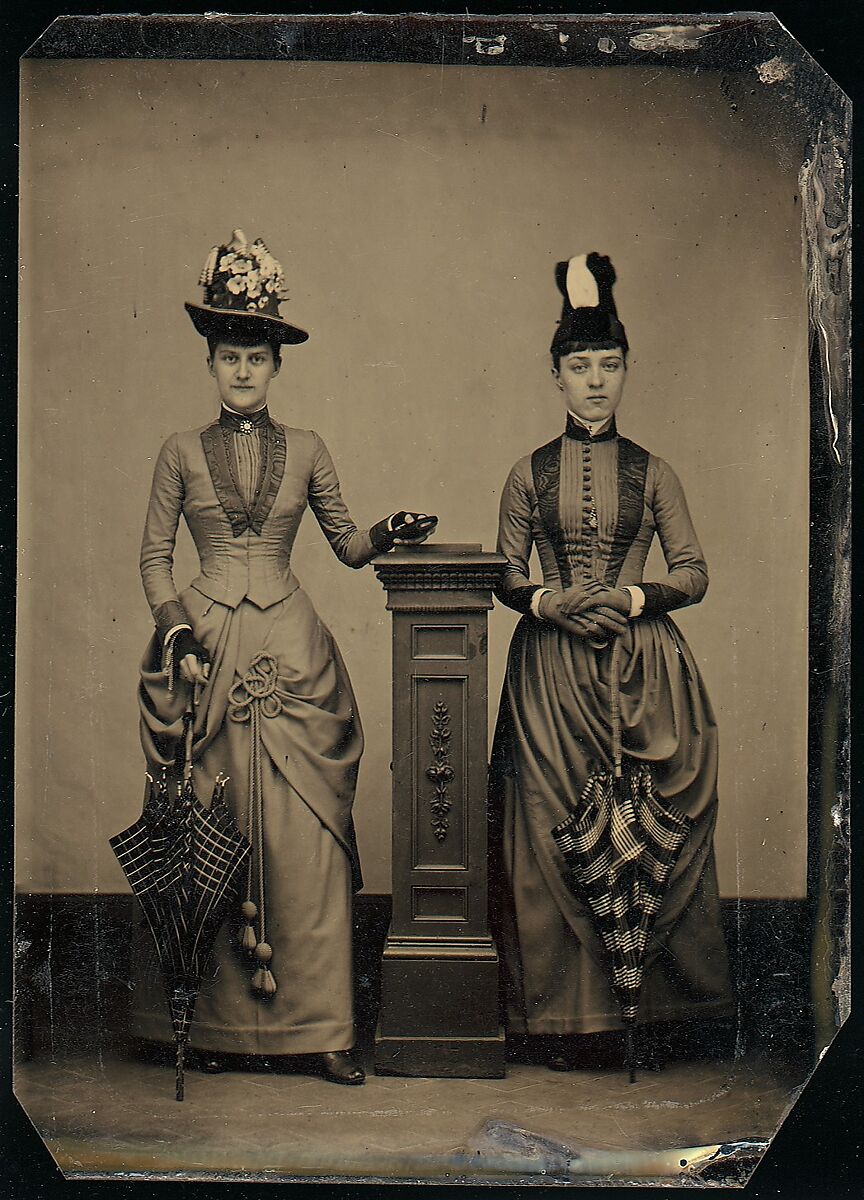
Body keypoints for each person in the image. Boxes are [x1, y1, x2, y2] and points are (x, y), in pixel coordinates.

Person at [133, 229, 435, 1085]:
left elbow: (343, 545)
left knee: (305, 840)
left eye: (257, 357)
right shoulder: (177, 452)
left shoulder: (307, 448)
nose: (243, 371)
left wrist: (388, 531)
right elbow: (157, 558)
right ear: (211, 362)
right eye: (229, 356)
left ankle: (323, 1030)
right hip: (205, 655)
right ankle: (214, 1029)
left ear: (277, 365)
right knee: (208, 828)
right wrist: (177, 633)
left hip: (292, 655)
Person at [489, 253, 734, 1071]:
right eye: (578, 366)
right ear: (555, 375)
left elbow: (694, 573)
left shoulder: (655, 471)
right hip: (551, 682)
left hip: (644, 672)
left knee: (653, 824)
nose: (595, 381)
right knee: (548, 831)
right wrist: (552, 602)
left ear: (625, 371)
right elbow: (507, 577)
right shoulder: (526, 473)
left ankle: (663, 1017)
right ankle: (568, 1025)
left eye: (608, 365)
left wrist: (631, 599)